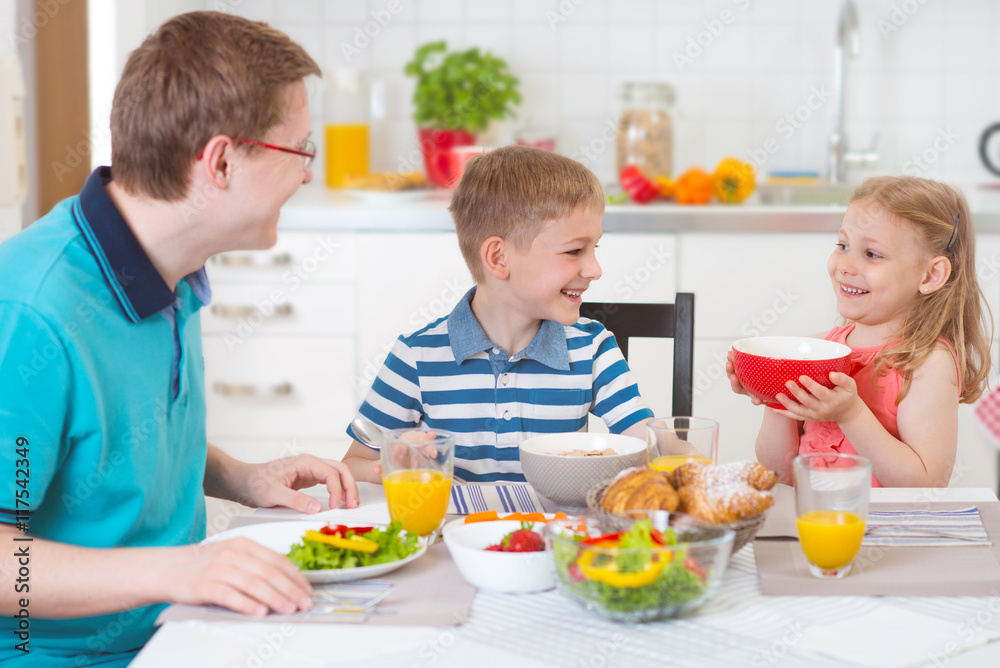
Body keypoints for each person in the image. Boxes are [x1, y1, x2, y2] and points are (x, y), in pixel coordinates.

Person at [0, 12, 359, 666]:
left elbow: (109, 433)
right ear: (221, 161)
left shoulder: (174, 263)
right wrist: (179, 572)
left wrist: (238, 477)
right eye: (301, 150)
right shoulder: (31, 311)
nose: (309, 175)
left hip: (177, 630)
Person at [342, 145, 653, 484]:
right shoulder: (417, 357)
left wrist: (687, 458)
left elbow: (652, 450)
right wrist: (396, 463)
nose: (595, 269)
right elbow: (355, 464)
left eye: (595, 249)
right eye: (575, 251)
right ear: (499, 258)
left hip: (556, 535)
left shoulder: (592, 349)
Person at [727, 176, 991, 488]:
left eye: (872, 254)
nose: (845, 266)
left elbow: (927, 485)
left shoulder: (926, 364)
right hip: (817, 526)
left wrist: (851, 414)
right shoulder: (819, 348)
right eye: (843, 245)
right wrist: (773, 395)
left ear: (931, 275)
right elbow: (779, 474)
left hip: (887, 534)